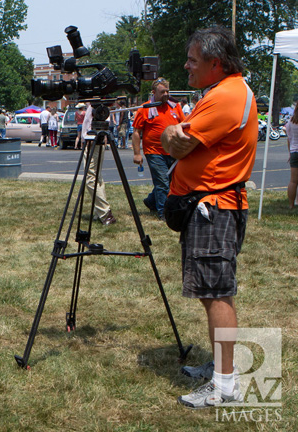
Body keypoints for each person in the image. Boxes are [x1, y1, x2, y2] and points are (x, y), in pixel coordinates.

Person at [160, 26, 257, 409]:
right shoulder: (221, 92)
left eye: (193, 60)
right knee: (210, 292)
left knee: (217, 293)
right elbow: (176, 140)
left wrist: (170, 132)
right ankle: (220, 366)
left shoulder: (226, 97)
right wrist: (172, 133)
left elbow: (177, 145)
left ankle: (225, 385)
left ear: (216, 64)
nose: (186, 66)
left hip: (214, 208)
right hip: (210, 207)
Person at [132, 78, 185, 220]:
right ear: (154, 92)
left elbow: (183, 125)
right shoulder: (146, 108)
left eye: (168, 91)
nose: (166, 94)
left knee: (171, 181)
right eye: (162, 92)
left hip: (173, 150)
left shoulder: (175, 107)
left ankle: (151, 201)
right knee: (162, 182)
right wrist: (137, 154)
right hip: (154, 152)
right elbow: (136, 132)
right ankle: (163, 213)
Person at [81, 102, 116, 225]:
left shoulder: (98, 105)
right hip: (92, 142)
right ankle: (100, 211)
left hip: (93, 143)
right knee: (96, 178)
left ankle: (105, 213)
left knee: (91, 178)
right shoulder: (94, 104)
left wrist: (89, 140)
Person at [285, 108, 298, 209]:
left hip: (294, 152)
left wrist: (290, 153)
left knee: (293, 181)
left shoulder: (291, 121)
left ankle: (291, 205)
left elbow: (289, 138)